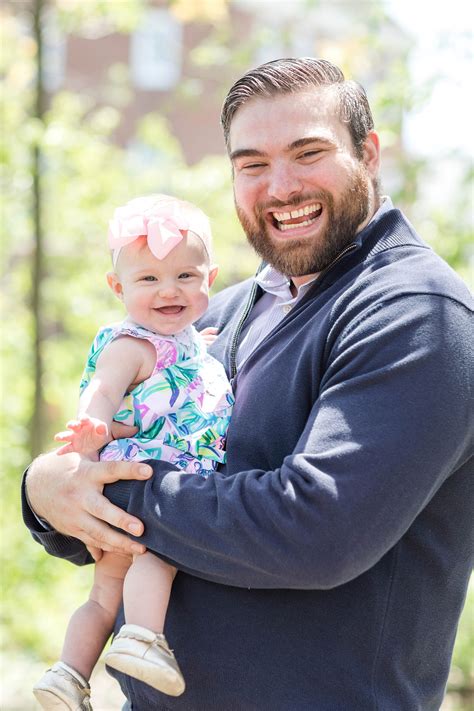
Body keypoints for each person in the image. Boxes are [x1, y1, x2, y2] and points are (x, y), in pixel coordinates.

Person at [23, 58, 473, 710]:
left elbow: (315, 529)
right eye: (252, 164)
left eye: (308, 152)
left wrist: (104, 490)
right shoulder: (214, 315)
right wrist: (46, 491)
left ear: (369, 154)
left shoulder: (418, 315)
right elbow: (121, 473)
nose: (280, 186)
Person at [32, 194, 234, 710]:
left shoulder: (184, 343)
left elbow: (179, 382)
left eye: (186, 277)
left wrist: (198, 347)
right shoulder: (131, 344)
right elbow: (103, 387)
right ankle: (142, 638)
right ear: (117, 288)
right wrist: (93, 423)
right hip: (149, 480)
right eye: (148, 280)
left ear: (209, 279)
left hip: (146, 480)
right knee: (159, 555)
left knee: (104, 595)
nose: (169, 290)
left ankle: (68, 675)